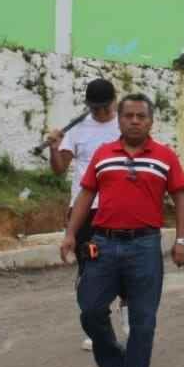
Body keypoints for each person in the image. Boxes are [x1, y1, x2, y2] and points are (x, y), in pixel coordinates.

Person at [60, 93, 184, 367]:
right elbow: (86, 194)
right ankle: (112, 362)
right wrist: (70, 234)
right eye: (128, 115)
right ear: (119, 119)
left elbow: (181, 199)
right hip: (103, 244)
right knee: (90, 308)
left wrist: (182, 241)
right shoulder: (104, 154)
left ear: (150, 121)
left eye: (140, 116)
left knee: (143, 321)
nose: (134, 121)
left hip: (145, 247)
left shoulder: (165, 157)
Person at [47, 78, 124, 350]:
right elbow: (59, 168)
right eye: (95, 109)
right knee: (90, 268)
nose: (101, 114)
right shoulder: (77, 129)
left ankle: (127, 311)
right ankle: (96, 327)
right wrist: (54, 148)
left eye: (105, 108)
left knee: (124, 263)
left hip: (119, 206)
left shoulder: (125, 125)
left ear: (113, 101)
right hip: (84, 209)